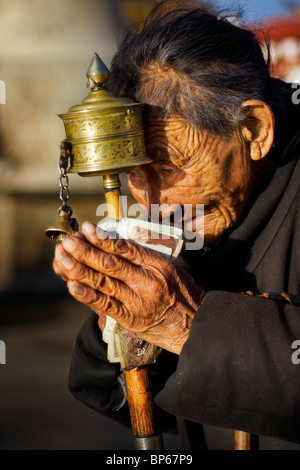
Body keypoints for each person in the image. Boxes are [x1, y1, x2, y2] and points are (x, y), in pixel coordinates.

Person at [53, 1, 300, 449]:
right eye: (135, 172)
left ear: (254, 130)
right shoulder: (192, 221)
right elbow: (144, 403)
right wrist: (123, 321)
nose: (152, 204)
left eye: (169, 169)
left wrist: (186, 323)